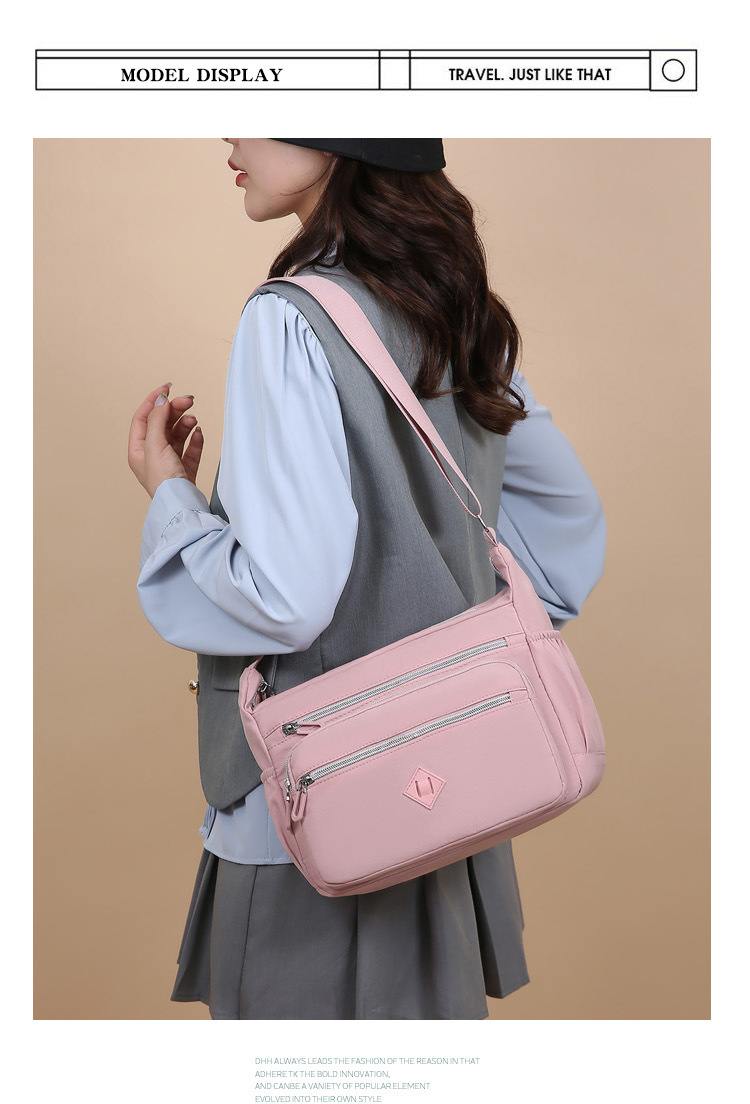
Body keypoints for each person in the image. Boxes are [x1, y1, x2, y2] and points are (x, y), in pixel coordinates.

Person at [128, 139, 606, 1020]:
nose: (228, 135)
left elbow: (286, 598)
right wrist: (448, 653)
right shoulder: (452, 302)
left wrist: (173, 501)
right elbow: (563, 533)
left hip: (317, 815)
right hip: (461, 800)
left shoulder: (290, 319)